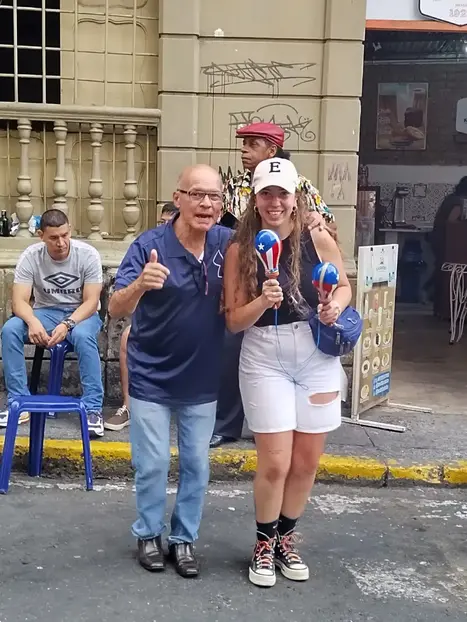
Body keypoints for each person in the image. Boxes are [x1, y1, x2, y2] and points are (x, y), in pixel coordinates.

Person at [223, 158, 352, 588]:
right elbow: (233, 321)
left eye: (283, 193)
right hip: (265, 357)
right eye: (267, 194)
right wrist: (262, 301)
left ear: (296, 198)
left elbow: (343, 285)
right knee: (276, 462)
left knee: (307, 461)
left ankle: (286, 539)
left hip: (315, 355)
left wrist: (335, 307)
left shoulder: (317, 236)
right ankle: (263, 543)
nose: (275, 202)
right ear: (255, 199)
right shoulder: (241, 250)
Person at [108, 164, 231, 578]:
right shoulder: (149, 245)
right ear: (178, 199)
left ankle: (183, 539)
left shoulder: (227, 243)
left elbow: (273, 240)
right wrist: (140, 284)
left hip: (201, 377)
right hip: (151, 375)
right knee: (154, 463)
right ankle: (148, 533)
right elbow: (115, 307)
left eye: (214, 196)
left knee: (197, 464)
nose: (206, 204)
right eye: (197, 194)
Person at [210, 121, 337, 449]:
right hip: (247, 267)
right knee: (232, 345)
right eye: (243, 144)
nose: (244, 151)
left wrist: (317, 220)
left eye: (252, 144)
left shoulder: (301, 184)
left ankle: (272, 424)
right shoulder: (235, 184)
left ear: (272, 149)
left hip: (291, 278)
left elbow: (325, 223)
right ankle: (228, 423)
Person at [0, 209, 104, 437]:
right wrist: (32, 321)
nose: (61, 243)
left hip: (81, 314)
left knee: (82, 336)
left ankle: (93, 408)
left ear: (70, 230)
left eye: (65, 235)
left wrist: (68, 324)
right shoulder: (31, 256)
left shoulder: (87, 254)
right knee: (10, 330)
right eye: (54, 238)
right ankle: (19, 402)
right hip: (45, 312)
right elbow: (18, 301)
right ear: (41, 236)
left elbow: (91, 301)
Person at [104, 201, 180, 432]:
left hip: (191, 323)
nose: (165, 228)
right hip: (158, 322)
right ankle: (128, 407)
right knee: (128, 336)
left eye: (170, 223)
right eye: (161, 223)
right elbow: (118, 302)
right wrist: (141, 283)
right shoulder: (149, 247)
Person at [430, 178, 466, 316]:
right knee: (445, 273)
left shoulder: (451, 198)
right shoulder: (458, 201)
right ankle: (444, 308)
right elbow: (452, 221)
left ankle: (439, 309)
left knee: (441, 271)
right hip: (447, 242)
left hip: (439, 239)